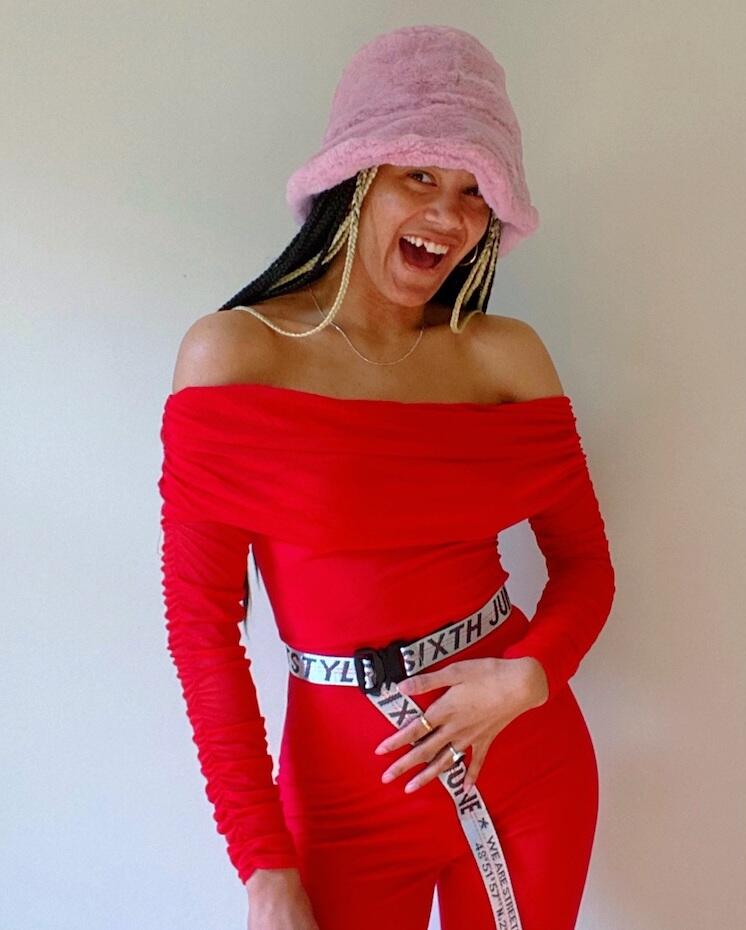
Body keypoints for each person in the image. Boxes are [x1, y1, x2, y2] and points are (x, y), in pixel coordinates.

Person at [159, 27, 614, 930]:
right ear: (354, 181)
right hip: (340, 804)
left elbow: (586, 570)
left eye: (476, 192)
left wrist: (529, 677)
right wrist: (262, 865)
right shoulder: (234, 354)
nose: (449, 216)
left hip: (528, 763)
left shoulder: (503, 357)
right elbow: (202, 631)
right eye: (421, 177)